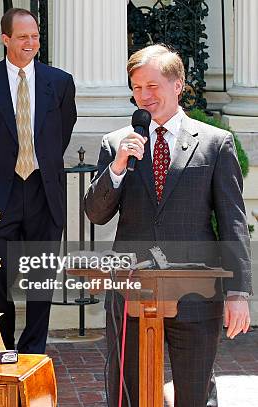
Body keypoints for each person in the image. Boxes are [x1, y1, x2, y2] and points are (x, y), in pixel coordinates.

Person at [84, 44, 252, 406]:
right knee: (128, 392)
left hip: (195, 292)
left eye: (153, 86)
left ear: (178, 85)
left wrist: (238, 293)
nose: (143, 96)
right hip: (132, 292)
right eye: (137, 88)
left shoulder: (214, 143)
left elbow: (233, 222)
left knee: (194, 392)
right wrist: (117, 167)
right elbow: (96, 214)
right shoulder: (116, 144)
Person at [0, 8, 77, 354]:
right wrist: (1, 167)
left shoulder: (60, 82)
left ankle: (33, 350)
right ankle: (3, 344)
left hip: (44, 191)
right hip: (1, 192)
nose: (31, 42)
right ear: (6, 40)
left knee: (41, 279)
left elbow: (62, 133)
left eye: (36, 36)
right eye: (24, 36)